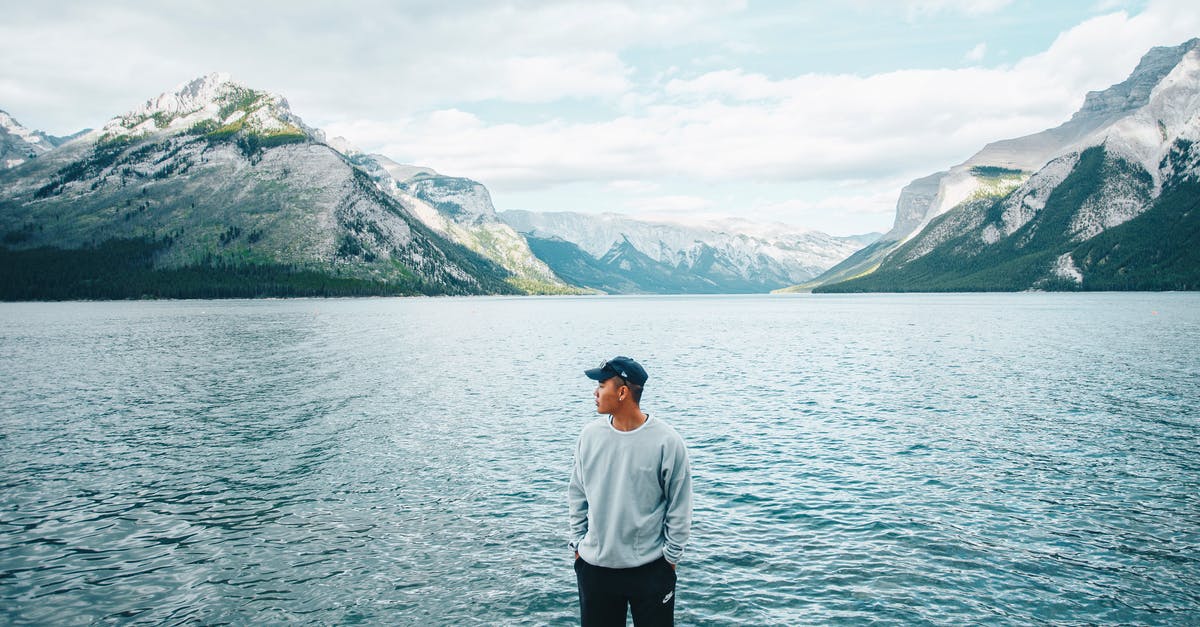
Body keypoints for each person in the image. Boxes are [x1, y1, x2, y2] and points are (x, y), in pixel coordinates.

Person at [568, 356, 693, 627]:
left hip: (650, 571)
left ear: (622, 392)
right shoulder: (589, 436)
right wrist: (578, 546)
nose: (595, 392)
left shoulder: (667, 442)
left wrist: (669, 560)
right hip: (595, 570)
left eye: (602, 385)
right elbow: (577, 494)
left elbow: (679, 507)